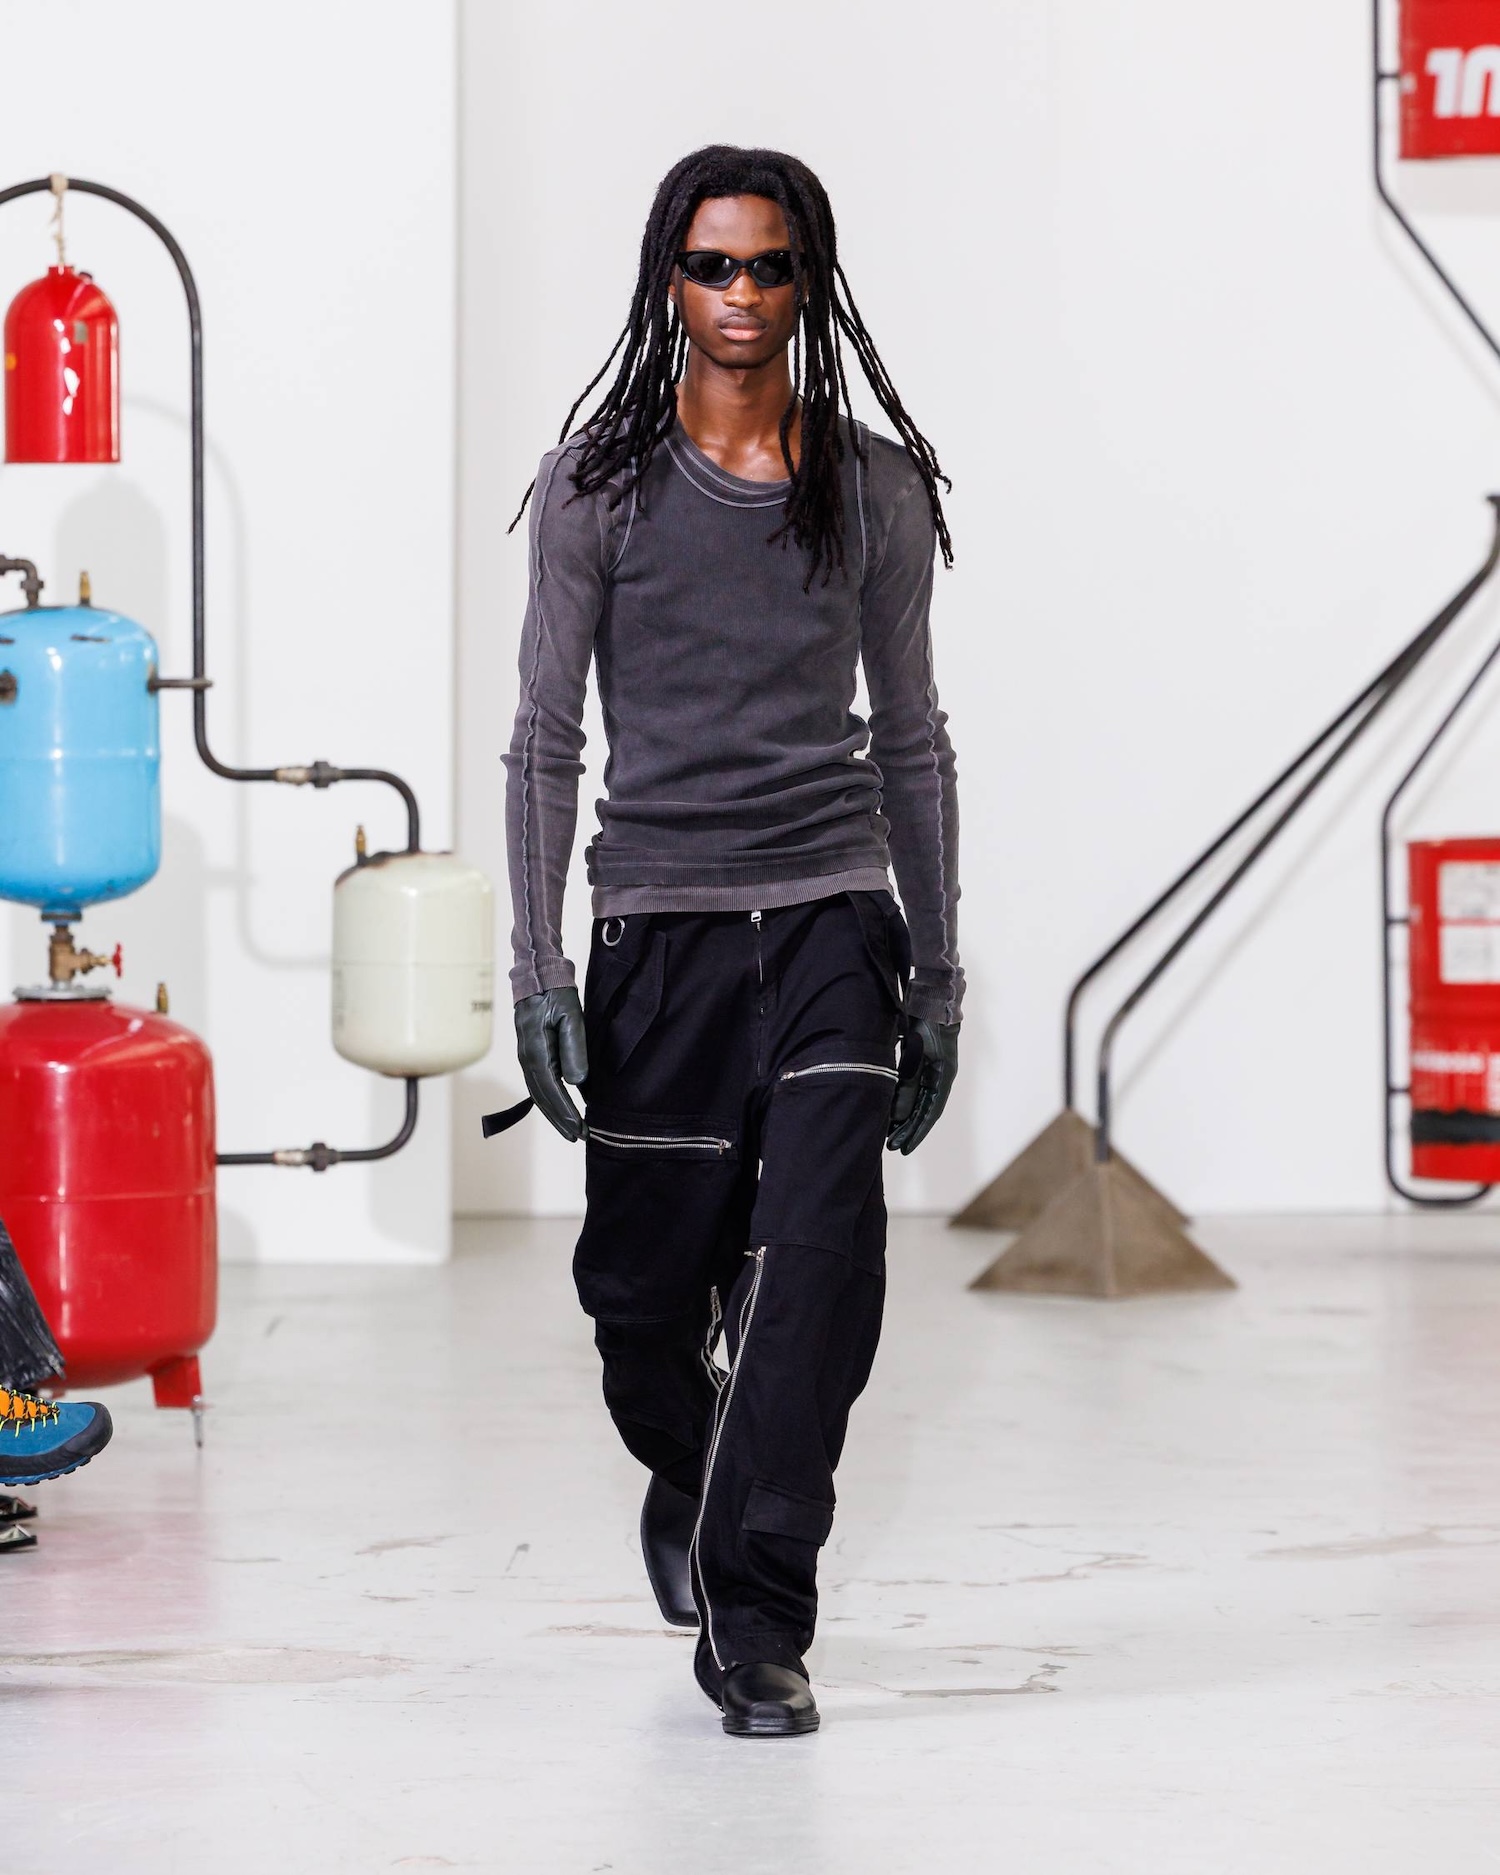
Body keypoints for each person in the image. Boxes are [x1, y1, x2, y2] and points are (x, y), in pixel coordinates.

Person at [503, 145, 962, 1738]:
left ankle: (758, 1622)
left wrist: (938, 978)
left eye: (771, 266)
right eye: (714, 265)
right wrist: (540, 973)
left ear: (807, 282)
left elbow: (912, 742)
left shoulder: (874, 491)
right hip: (661, 930)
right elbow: (544, 742)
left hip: (833, 917)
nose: (743, 294)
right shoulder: (599, 489)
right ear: (669, 281)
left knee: (815, 1275)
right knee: (642, 1308)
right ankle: (691, 1472)